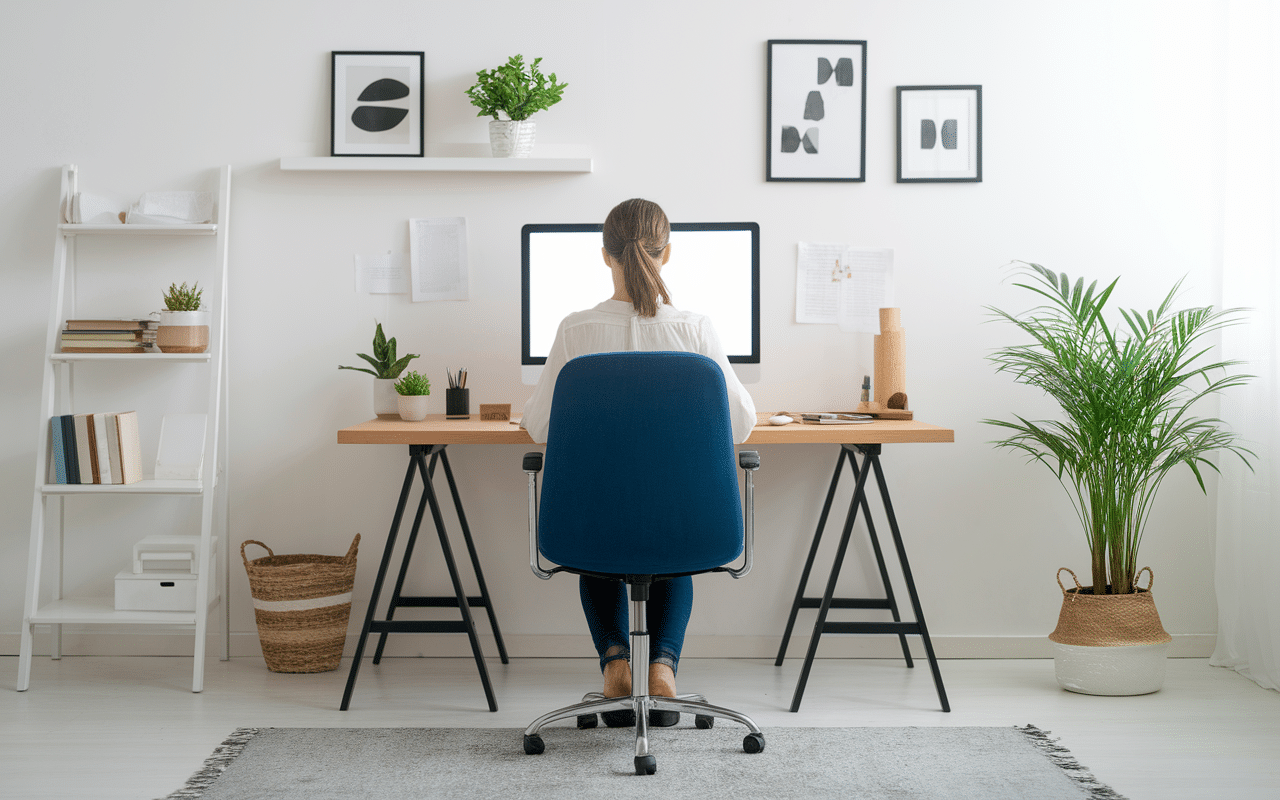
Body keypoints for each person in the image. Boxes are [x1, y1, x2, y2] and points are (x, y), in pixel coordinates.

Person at [521, 198, 757, 726]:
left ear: (605, 256)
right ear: (666, 253)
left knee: (602, 537)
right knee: (672, 532)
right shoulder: (696, 330)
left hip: (591, 524)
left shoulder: (575, 331)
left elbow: (538, 427)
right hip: (686, 523)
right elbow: (741, 424)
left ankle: (614, 665)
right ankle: (664, 670)